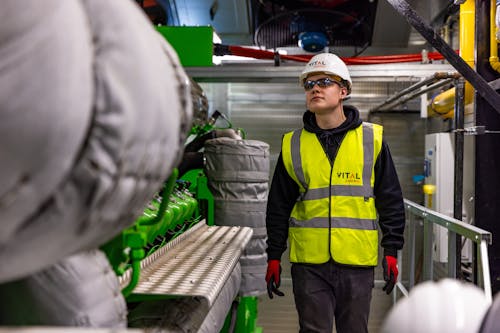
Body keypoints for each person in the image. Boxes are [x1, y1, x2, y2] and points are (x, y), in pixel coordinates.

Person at [265, 52, 406, 333]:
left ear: (343, 91)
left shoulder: (371, 139)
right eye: (309, 84)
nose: (315, 88)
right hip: (309, 264)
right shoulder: (293, 145)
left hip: (356, 262)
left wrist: (391, 249)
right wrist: (273, 254)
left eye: (325, 82)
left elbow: (390, 199)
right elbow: (278, 206)